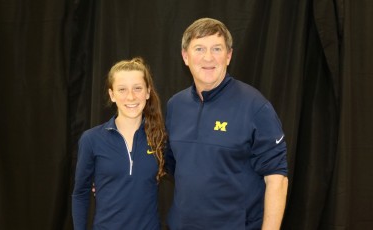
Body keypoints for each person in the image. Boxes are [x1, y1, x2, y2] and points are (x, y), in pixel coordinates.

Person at [164, 18, 288, 229]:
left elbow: (277, 179)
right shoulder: (175, 105)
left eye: (217, 49)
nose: (208, 57)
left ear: (229, 56)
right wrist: (107, 174)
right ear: (185, 56)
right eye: (200, 48)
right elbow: (166, 165)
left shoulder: (255, 106)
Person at [72, 57, 167, 230]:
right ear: (112, 94)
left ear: (148, 92)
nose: (130, 96)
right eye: (122, 89)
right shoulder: (91, 139)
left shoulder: (160, 138)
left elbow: (185, 177)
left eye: (137, 88)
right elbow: (80, 193)